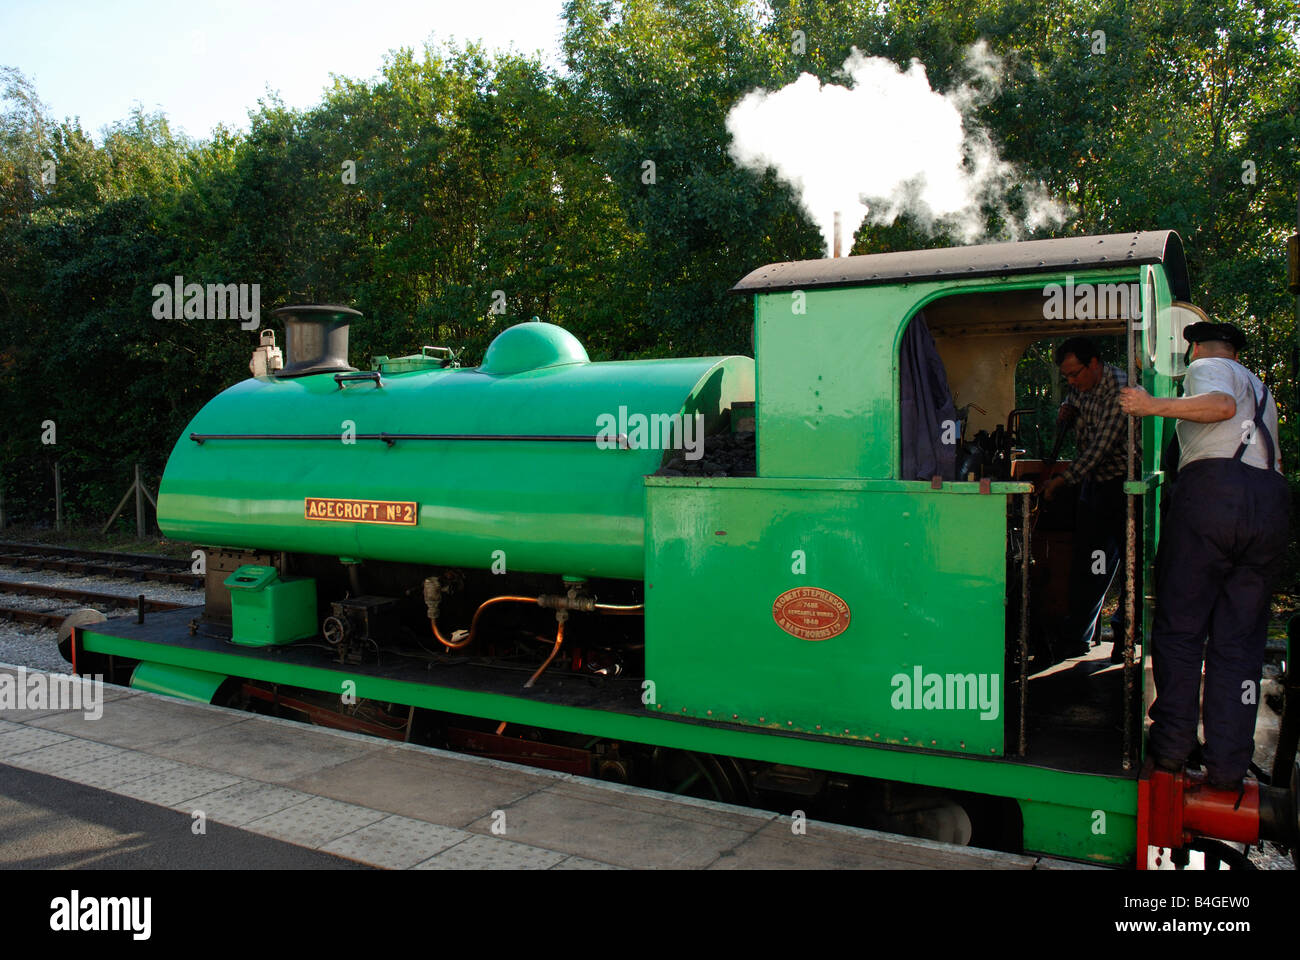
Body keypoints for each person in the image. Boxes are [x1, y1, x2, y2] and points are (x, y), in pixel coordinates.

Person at [1119, 318, 1289, 790]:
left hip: (1216, 499)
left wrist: (1151, 405)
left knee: (1181, 627)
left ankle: (1172, 748)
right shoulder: (1262, 389)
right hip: (1269, 508)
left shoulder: (1210, 367)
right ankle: (1228, 766)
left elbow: (1218, 406)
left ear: (1198, 350)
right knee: (1239, 644)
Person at [1039, 337, 1133, 659]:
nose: (1071, 382)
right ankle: (1078, 637)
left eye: (1075, 374)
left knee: (1131, 569)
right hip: (1095, 486)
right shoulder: (1080, 386)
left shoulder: (1120, 390)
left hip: (1124, 486)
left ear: (1094, 364)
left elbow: (1098, 450)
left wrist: (1062, 480)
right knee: (1091, 563)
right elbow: (1080, 433)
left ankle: (1125, 639)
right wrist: (1067, 412)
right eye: (1066, 377)